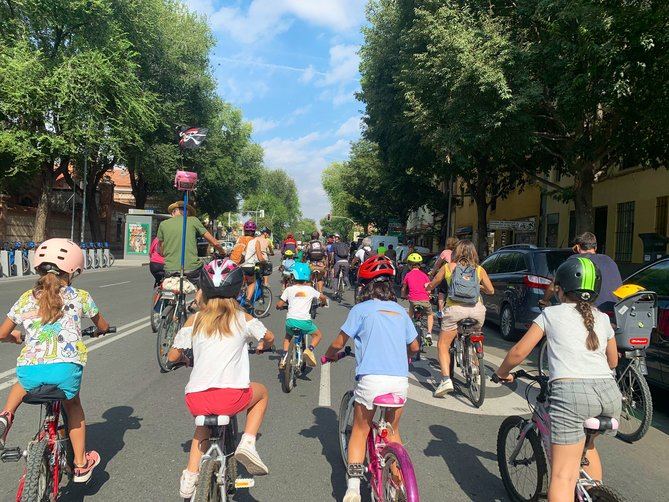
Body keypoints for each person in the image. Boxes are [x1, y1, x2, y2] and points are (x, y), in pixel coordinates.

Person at [495, 258, 621, 501]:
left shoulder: (551, 314)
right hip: (609, 395)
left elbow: (519, 352)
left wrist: (502, 372)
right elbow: (613, 361)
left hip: (572, 396)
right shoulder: (602, 318)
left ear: (560, 290)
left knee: (563, 476)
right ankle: (593, 493)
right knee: (588, 446)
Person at [0, 239, 109, 482]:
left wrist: (14, 337)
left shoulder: (26, 298)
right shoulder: (80, 296)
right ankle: (81, 465)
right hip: (65, 370)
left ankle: (5, 417)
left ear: (37, 268)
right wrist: (101, 329)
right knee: (73, 407)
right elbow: (102, 324)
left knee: (21, 381)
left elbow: (1, 333)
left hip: (30, 371)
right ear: (74, 270)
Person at [167, 259, 275, 499]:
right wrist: (263, 344)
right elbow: (269, 336)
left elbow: (173, 355)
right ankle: (247, 442)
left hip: (196, 399)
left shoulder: (194, 320)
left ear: (203, 289)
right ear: (236, 289)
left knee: (201, 429)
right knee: (263, 392)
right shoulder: (243, 318)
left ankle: (190, 476)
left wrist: (184, 358)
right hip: (232, 398)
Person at [324, 255, 419, 502]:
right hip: (399, 380)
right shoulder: (400, 311)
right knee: (392, 429)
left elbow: (338, 343)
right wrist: (406, 356)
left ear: (364, 286)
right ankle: (397, 483)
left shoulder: (360, 309)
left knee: (360, 429)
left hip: (371, 381)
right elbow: (415, 346)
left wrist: (329, 356)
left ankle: (353, 487)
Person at [426, 240, 494, 397]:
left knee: (443, 344)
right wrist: (478, 286)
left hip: (455, 310)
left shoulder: (448, 267)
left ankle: (445, 380)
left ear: (456, 252)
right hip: (477, 310)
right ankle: (476, 370)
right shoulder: (479, 269)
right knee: (476, 336)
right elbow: (490, 290)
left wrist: (427, 287)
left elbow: (433, 284)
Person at [540, 232, 622, 312]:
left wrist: (544, 301)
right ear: (595, 248)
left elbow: (552, 287)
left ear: (578, 247)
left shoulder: (575, 260)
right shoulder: (608, 260)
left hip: (591, 311)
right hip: (614, 310)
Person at [157, 201, 224, 285]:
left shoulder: (163, 224)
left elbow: (160, 249)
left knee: (164, 287)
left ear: (174, 211)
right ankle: (200, 296)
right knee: (204, 287)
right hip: (192, 268)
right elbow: (214, 242)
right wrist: (223, 252)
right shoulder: (193, 220)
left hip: (170, 269)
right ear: (187, 211)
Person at [276, 262, 327, 368]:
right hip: (305, 322)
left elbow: (279, 304)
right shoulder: (310, 289)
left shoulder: (288, 289)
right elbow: (322, 297)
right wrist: (323, 303)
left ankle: (284, 358)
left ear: (293, 276)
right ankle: (309, 350)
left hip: (290, 322)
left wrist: (280, 307)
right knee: (318, 335)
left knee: (288, 337)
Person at [402, 253, 434, 345]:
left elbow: (404, 288)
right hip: (424, 300)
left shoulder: (408, 275)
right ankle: (429, 334)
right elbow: (428, 288)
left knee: (410, 314)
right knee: (430, 314)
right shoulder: (424, 275)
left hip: (413, 300)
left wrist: (403, 295)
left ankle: (408, 331)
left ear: (409, 265)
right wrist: (429, 294)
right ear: (420, 265)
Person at [242, 226, 272, 308]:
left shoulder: (248, 241)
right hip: (255, 265)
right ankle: (249, 299)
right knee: (255, 280)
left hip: (243, 265)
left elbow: (244, 254)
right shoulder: (262, 241)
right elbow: (260, 257)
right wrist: (265, 261)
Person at [430, 237, 459, 319]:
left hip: (446, 275)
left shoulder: (445, 252)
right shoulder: (459, 253)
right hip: (457, 276)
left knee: (442, 292)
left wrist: (432, 273)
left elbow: (437, 264)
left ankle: (441, 310)